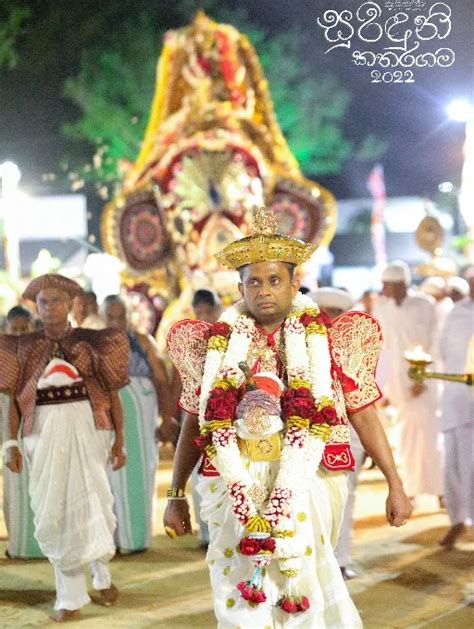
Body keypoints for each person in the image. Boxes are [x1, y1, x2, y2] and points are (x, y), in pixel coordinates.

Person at [164, 208, 412, 628]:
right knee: (239, 594)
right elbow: (196, 418)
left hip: (309, 480)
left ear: (295, 282)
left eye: (275, 280)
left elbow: (363, 412)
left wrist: (395, 483)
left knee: (304, 584)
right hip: (233, 477)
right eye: (253, 281)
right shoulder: (216, 346)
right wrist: (174, 494)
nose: (263, 291)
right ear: (240, 286)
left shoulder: (328, 340)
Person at [0, 274, 129, 623]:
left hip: (90, 428)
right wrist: (10, 443)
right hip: (41, 433)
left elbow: (113, 395)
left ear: (72, 303)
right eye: (43, 301)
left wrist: (120, 440)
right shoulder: (22, 346)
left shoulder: (94, 341)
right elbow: (14, 401)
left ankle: (101, 575)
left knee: (93, 502)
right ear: (36, 306)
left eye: (57, 300)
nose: (50, 307)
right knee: (55, 508)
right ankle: (70, 594)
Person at [103, 294, 173, 553]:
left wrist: (167, 418)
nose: (116, 321)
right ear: (103, 317)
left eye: (120, 316)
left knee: (141, 473)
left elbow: (161, 381)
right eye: (110, 316)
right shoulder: (95, 344)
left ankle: (135, 540)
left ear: (128, 316)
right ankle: (111, 540)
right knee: (108, 478)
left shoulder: (142, 342)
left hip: (141, 422)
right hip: (109, 423)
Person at [374, 261, 444, 503]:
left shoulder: (424, 305)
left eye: (388, 285)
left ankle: (440, 490)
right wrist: (380, 388)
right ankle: (410, 489)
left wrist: (424, 378)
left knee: (431, 434)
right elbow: (380, 350)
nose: (384, 289)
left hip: (425, 381)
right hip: (397, 383)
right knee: (403, 436)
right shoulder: (382, 310)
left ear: (401, 284)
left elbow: (435, 342)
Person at [311, 288, 367, 581]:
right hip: (305, 437)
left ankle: (340, 561)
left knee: (344, 497)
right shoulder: (295, 343)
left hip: (348, 436)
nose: (328, 319)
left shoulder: (356, 348)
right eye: (324, 311)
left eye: (335, 313)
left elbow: (366, 405)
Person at [1, 306, 44, 559]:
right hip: (9, 428)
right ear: (6, 329)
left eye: (23, 329)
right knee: (15, 487)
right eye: (13, 329)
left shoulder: (42, 354)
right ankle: (19, 546)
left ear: (32, 329)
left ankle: (41, 546)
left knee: (41, 483)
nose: (18, 333)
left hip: (37, 427)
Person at [438, 267, 474, 549]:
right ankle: (457, 520)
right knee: (451, 466)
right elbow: (442, 351)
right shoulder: (456, 311)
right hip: (454, 398)